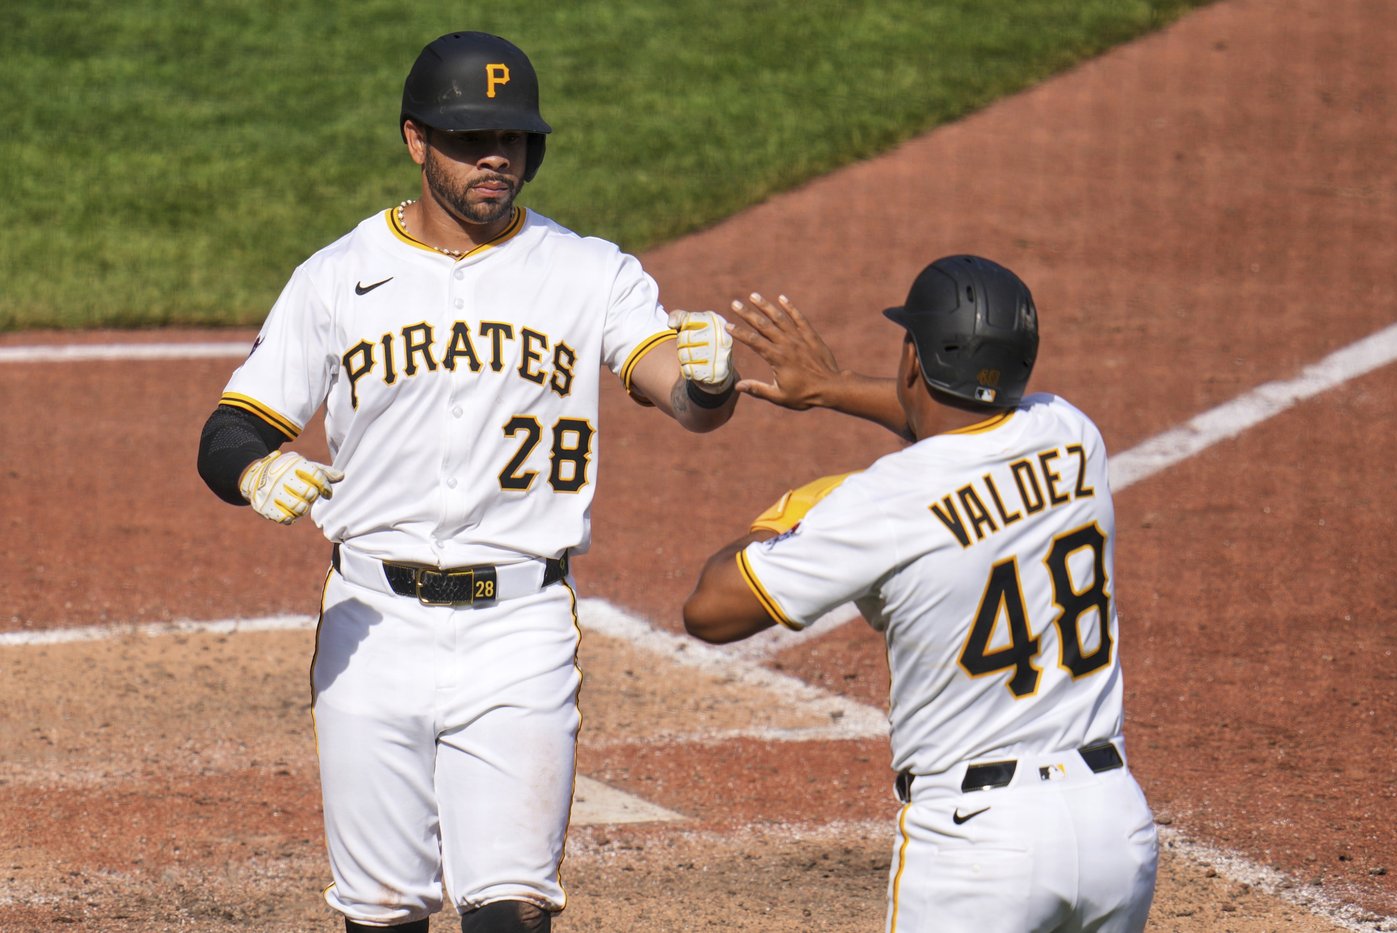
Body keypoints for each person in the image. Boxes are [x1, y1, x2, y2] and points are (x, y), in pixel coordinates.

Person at [196, 31, 738, 933]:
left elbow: (675, 394)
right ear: (415, 140)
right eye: (469, 139)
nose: (497, 158)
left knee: (510, 914)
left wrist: (707, 383)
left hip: (519, 628)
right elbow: (231, 426)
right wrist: (255, 470)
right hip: (372, 629)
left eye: (515, 140)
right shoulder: (336, 277)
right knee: (381, 915)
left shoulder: (588, 271)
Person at [683, 255, 1158, 932]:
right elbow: (963, 426)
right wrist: (833, 388)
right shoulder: (1072, 434)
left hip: (979, 852)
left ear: (912, 359)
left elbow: (710, 609)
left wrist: (789, 518)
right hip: (1115, 828)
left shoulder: (880, 503)